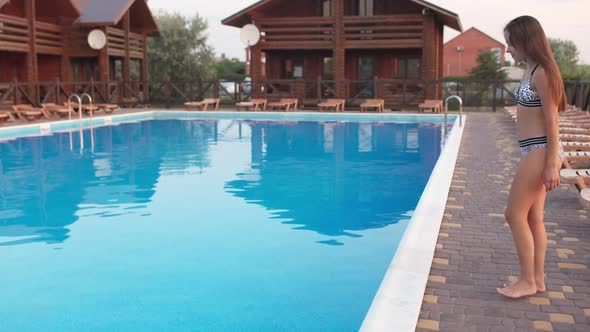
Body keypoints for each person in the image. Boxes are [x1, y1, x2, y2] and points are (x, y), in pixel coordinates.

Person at [497, 16, 566, 299]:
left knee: (514, 214)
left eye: (511, 44)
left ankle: (526, 280)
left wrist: (552, 164)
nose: (509, 50)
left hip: (541, 151)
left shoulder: (543, 72)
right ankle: (537, 280)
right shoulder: (532, 69)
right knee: (534, 217)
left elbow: (552, 121)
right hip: (533, 150)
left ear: (526, 41)